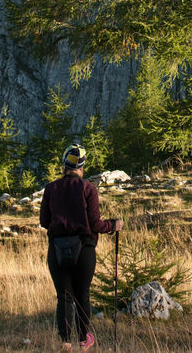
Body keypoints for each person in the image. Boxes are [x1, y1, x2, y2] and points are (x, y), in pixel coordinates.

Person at [40, 143, 123, 352]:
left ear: (64, 163)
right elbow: (95, 224)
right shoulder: (88, 189)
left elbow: (44, 221)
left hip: (58, 249)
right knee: (82, 295)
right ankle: (83, 341)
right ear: (82, 166)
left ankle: (66, 343)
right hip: (84, 249)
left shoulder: (51, 188)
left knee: (64, 297)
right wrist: (113, 225)